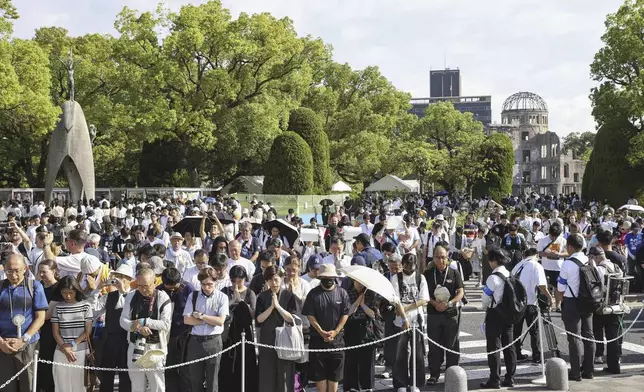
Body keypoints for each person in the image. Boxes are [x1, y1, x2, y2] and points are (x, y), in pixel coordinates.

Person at [0, 254, 48, 392]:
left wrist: (24, 339)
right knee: (6, 386)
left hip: (28, 343)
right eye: (9, 270)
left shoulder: (34, 286)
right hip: (3, 344)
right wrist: (1, 343)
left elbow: (40, 317)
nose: (13, 275)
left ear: (26, 269)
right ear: (4, 269)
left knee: (28, 384)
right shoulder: (1, 287)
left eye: (17, 270)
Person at [120, 267, 172, 392]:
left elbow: (166, 324)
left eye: (146, 286)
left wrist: (145, 322)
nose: (143, 289)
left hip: (155, 348)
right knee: (137, 386)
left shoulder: (163, 297)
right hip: (135, 344)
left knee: (157, 385)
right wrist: (137, 327)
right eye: (140, 286)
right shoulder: (131, 296)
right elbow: (122, 320)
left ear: (155, 282)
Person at [302, 264, 350, 392]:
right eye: (325, 277)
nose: (328, 280)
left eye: (331, 277)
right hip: (318, 341)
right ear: (320, 277)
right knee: (320, 375)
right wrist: (320, 331)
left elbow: (345, 314)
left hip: (337, 342)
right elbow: (310, 315)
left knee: (335, 376)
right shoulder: (313, 294)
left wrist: (336, 331)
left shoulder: (342, 293)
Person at [88, 264, 134, 392]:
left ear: (128, 279)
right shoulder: (110, 295)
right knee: (107, 376)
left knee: (126, 377)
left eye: (121, 277)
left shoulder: (134, 295)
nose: (117, 279)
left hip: (127, 340)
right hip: (110, 340)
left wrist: (124, 291)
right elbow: (93, 309)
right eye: (116, 276)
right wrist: (98, 289)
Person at [183, 266, 229, 392]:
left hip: (213, 341)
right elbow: (187, 320)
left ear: (215, 282)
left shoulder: (222, 297)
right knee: (195, 379)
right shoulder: (193, 296)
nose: (206, 287)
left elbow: (220, 321)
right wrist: (209, 320)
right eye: (203, 284)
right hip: (195, 341)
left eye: (210, 284)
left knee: (212, 380)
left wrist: (201, 316)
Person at [556, 233, 595, 381]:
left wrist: (559, 301)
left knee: (574, 338)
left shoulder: (567, 263)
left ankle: (576, 372)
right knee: (589, 336)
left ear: (571, 247)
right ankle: (589, 371)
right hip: (588, 301)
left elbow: (561, 286)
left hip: (572, 302)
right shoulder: (589, 260)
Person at [424, 244, 464, 385]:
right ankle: (434, 374)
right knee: (434, 345)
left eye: (443, 257)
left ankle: (451, 373)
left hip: (451, 313)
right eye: (437, 257)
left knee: (452, 344)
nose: (440, 260)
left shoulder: (454, 273)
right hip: (433, 314)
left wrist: (449, 304)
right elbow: (425, 294)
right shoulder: (428, 274)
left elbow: (460, 292)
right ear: (433, 257)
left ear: (448, 257)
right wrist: (436, 304)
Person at [391, 253, 428, 392]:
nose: (409, 268)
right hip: (401, 320)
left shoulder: (420, 277)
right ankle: (400, 383)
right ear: (402, 264)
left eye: (412, 266)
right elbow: (396, 300)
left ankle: (416, 383)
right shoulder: (396, 278)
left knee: (418, 353)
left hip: (417, 319)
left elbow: (424, 299)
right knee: (400, 352)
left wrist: (406, 308)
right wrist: (404, 318)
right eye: (406, 265)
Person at [256, 266, 296, 392]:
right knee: (267, 373)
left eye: (276, 279)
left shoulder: (289, 296)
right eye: (270, 280)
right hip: (267, 338)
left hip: (285, 338)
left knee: (285, 373)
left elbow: (291, 318)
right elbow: (259, 319)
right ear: (267, 281)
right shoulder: (262, 297)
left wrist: (278, 307)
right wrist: (271, 307)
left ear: (282, 278)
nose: (274, 283)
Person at [480, 247, 516, 389]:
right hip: (509, 314)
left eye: (490, 259)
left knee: (494, 348)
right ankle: (510, 378)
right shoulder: (510, 274)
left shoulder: (492, 278)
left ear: (494, 260)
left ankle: (494, 379)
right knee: (509, 346)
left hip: (495, 314)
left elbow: (485, 300)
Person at [511, 248, 553, 364]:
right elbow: (541, 285)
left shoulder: (518, 265)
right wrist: (549, 297)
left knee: (516, 330)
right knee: (534, 331)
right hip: (530, 302)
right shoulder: (536, 265)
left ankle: (516, 353)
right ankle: (537, 355)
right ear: (536, 255)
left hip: (517, 303)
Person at [51, 275, 92, 392]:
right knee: (61, 385)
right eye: (64, 293)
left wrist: (72, 345)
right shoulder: (58, 307)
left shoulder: (86, 305)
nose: (67, 296)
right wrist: (65, 348)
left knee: (79, 386)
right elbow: (55, 332)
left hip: (80, 350)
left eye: (70, 292)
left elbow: (87, 331)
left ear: (76, 290)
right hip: (61, 350)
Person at [220, 265, 258, 392]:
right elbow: (221, 311)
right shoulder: (225, 291)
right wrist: (232, 301)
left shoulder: (250, 293)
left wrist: (241, 301)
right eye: (233, 281)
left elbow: (254, 313)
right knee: (227, 364)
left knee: (246, 363)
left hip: (245, 332)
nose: (236, 283)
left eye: (240, 280)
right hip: (229, 332)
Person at [158, 267, 194, 391]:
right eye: (169, 288)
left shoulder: (188, 289)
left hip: (185, 334)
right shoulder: (159, 290)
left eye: (175, 287)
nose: (173, 289)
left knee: (186, 370)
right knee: (169, 369)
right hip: (166, 336)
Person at [588, 246, 622, 373]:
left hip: (601, 306)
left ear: (594, 257)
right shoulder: (616, 267)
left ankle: (597, 355)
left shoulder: (598, 269)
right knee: (613, 336)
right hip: (615, 306)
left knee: (597, 333)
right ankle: (614, 366)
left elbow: (594, 288)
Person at [343, 277, 379, 392]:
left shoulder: (371, 294)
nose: (360, 284)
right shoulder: (347, 294)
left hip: (367, 329)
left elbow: (374, 315)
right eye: (357, 281)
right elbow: (347, 312)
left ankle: (368, 386)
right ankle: (352, 386)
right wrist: (357, 302)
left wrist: (363, 304)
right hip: (351, 327)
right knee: (351, 359)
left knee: (367, 360)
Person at [36, 260, 60, 392]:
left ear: (54, 272)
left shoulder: (58, 288)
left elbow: (47, 314)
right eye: (40, 272)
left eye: (44, 272)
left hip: (50, 332)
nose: (41, 275)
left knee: (48, 363)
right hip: (37, 330)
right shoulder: (37, 285)